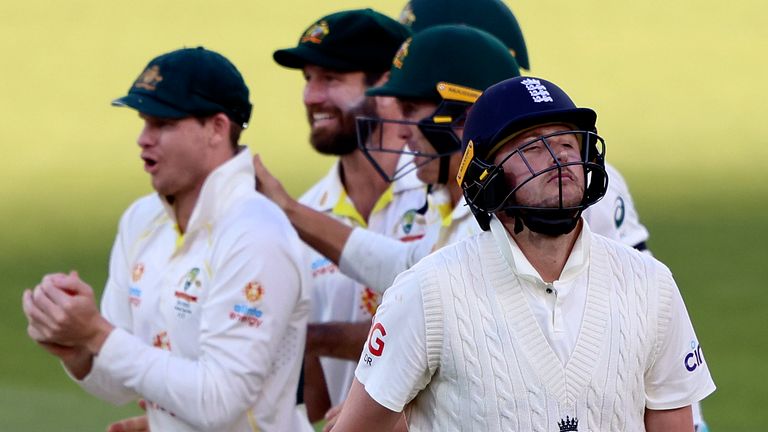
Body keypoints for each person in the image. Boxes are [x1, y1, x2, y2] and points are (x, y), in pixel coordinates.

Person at [332, 76, 716, 431]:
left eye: (566, 142)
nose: (559, 157)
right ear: (484, 175)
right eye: (533, 148)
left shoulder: (651, 283)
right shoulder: (428, 291)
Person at [21, 47, 312, 432]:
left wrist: (96, 333)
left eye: (163, 123)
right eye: (143, 121)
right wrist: (76, 348)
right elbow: (120, 382)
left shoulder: (256, 235)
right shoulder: (141, 221)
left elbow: (219, 402)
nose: (143, 139)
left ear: (217, 129)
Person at [270, 9, 428, 422]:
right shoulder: (306, 212)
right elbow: (318, 405)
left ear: (384, 85)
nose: (311, 96)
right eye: (308, 79)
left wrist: (317, 337)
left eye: (331, 79)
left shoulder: (443, 192)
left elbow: (439, 332)